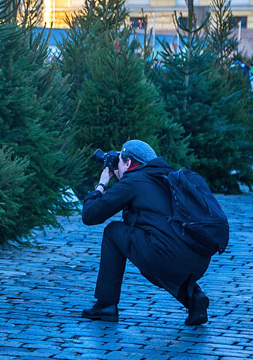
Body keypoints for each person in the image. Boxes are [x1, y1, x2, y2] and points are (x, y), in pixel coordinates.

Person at [80, 140, 211, 326]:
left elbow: (90, 215)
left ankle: (105, 305)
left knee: (113, 232)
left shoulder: (133, 182)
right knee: (151, 246)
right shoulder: (167, 175)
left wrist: (102, 184)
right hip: (199, 258)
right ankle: (193, 298)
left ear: (127, 163)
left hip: (167, 255)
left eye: (119, 161)